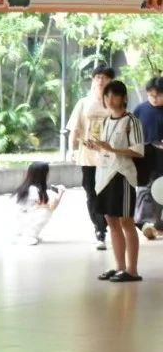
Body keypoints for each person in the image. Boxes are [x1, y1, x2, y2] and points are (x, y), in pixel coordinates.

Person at [89, 79, 145, 282]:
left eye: (114, 95)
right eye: (107, 95)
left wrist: (112, 149)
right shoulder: (105, 121)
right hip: (104, 176)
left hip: (122, 176)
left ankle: (132, 270)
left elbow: (138, 151)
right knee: (111, 221)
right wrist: (98, 147)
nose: (110, 99)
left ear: (124, 98)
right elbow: (107, 149)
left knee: (126, 221)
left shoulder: (132, 121)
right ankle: (120, 267)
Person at [67, 65, 115, 250]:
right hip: (88, 156)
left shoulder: (114, 102)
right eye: (97, 77)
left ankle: (107, 225)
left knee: (107, 192)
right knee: (90, 191)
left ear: (111, 80)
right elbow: (74, 128)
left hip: (109, 156)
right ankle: (99, 229)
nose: (100, 81)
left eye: (104, 77)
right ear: (93, 80)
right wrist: (71, 149)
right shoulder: (83, 102)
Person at [131, 76, 163, 240]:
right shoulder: (140, 110)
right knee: (144, 190)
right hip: (145, 157)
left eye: (158, 95)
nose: (154, 98)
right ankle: (144, 223)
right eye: (151, 95)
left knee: (160, 190)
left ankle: (158, 224)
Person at [13, 162, 65, 245]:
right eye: (47, 173)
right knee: (45, 211)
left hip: (22, 219)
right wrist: (60, 193)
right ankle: (28, 235)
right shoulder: (34, 190)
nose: (48, 175)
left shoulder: (29, 187)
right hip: (22, 221)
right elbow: (51, 207)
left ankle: (28, 234)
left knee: (44, 209)